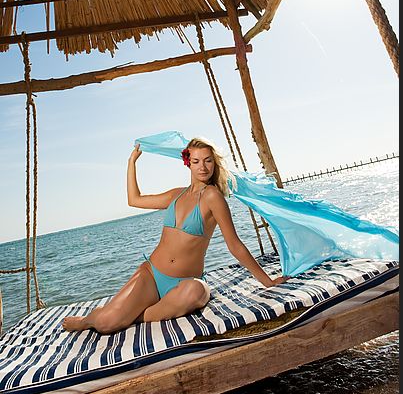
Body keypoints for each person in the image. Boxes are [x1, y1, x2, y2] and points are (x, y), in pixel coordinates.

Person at [62, 137, 287, 334]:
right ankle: (87, 320)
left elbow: (235, 245)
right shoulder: (175, 195)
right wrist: (132, 162)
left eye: (208, 160)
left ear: (214, 163)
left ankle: (135, 316)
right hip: (152, 274)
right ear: (188, 163)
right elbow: (135, 199)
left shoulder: (212, 198)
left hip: (184, 282)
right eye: (196, 161)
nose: (203, 167)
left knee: (195, 292)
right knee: (106, 323)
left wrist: (266, 281)